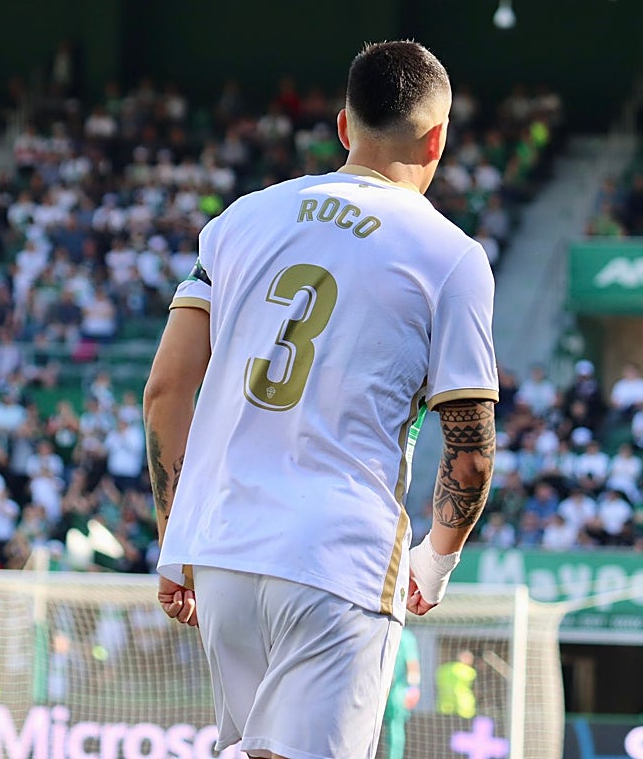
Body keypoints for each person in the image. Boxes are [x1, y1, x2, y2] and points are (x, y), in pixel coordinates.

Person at [145, 40, 498, 759]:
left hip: (224, 551)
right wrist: (436, 561)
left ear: (344, 126)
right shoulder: (450, 255)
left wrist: (176, 537)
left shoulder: (238, 221)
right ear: (437, 139)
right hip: (338, 557)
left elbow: (166, 390)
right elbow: (470, 453)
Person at [382, 627, 420, 759]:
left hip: (395, 691)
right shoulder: (380, 629)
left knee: (394, 728)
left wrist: (413, 689)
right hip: (376, 687)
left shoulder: (405, 636)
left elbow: (412, 664)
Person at [435, 649, 477, 719]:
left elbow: (438, 681)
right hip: (463, 705)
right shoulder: (469, 671)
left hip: (445, 703)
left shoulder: (444, 668)